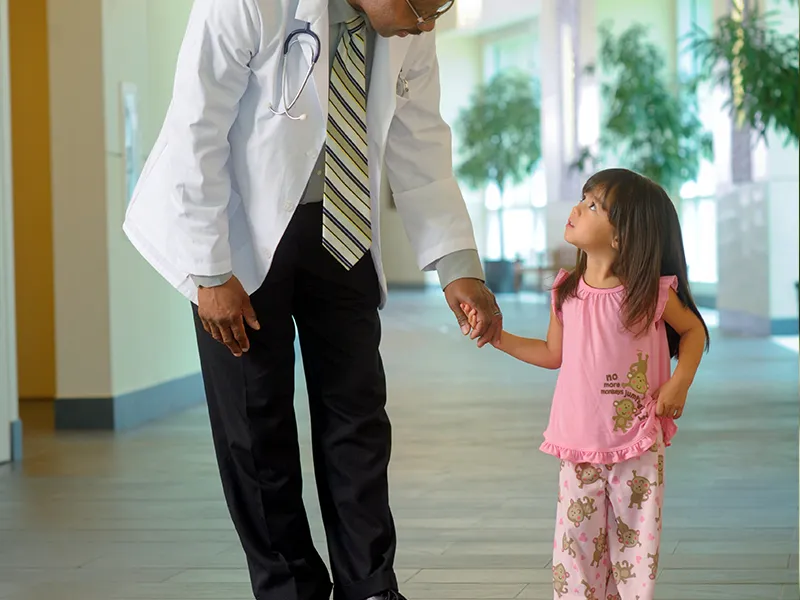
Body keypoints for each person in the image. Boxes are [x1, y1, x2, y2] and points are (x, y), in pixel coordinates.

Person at [122, 1, 504, 599]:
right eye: (422, 6)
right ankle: (289, 586)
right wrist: (209, 270)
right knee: (255, 423)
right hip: (236, 235)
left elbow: (420, 137)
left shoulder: (404, 24)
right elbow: (196, 126)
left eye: (442, 6)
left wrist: (458, 267)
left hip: (344, 228)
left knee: (358, 415)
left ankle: (370, 586)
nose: (428, 22)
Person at [463, 168, 710, 599]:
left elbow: (694, 333)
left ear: (621, 237)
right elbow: (552, 354)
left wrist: (679, 383)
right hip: (578, 444)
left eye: (594, 205)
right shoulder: (566, 292)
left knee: (634, 549)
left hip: (636, 441)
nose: (578, 208)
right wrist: (497, 336)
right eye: (584, 198)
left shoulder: (650, 294)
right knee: (575, 550)